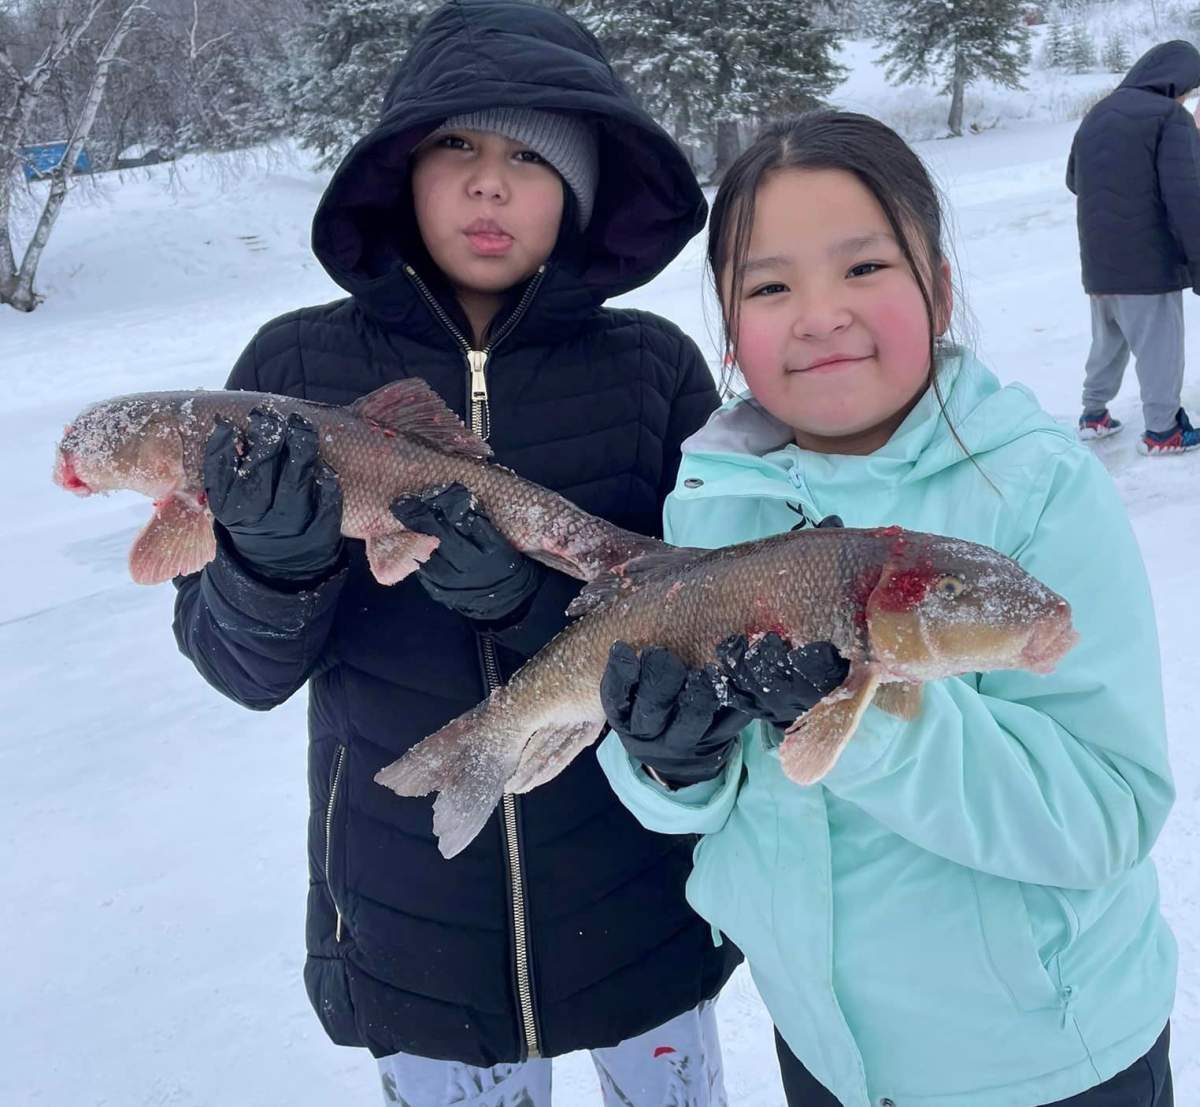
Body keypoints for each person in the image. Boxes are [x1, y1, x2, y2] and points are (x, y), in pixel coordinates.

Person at [172, 2, 743, 1103]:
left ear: (580, 191)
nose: (491, 184)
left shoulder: (653, 370)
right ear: (402, 169)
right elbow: (240, 669)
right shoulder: (291, 366)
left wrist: (526, 609)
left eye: (531, 156)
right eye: (459, 147)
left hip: (637, 898)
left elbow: (693, 619)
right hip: (404, 916)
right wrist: (273, 567)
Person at [597, 110, 1177, 1107]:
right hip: (823, 1052)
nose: (819, 314)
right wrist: (669, 764)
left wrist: (869, 719)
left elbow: (1107, 814)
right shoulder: (711, 501)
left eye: (862, 268)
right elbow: (713, 797)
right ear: (731, 337)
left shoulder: (1035, 493)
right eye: (769, 287)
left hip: (1042, 1066)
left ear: (939, 289)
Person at [1067, 40, 1200, 454]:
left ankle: (1094, 414)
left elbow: (1074, 180)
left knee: (1108, 340)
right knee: (1159, 346)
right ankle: (1164, 431)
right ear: (1175, 80)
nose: (1185, 97)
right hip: (1149, 262)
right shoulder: (1169, 116)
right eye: (1188, 88)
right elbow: (1186, 196)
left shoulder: (1098, 114)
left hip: (1099, 260)